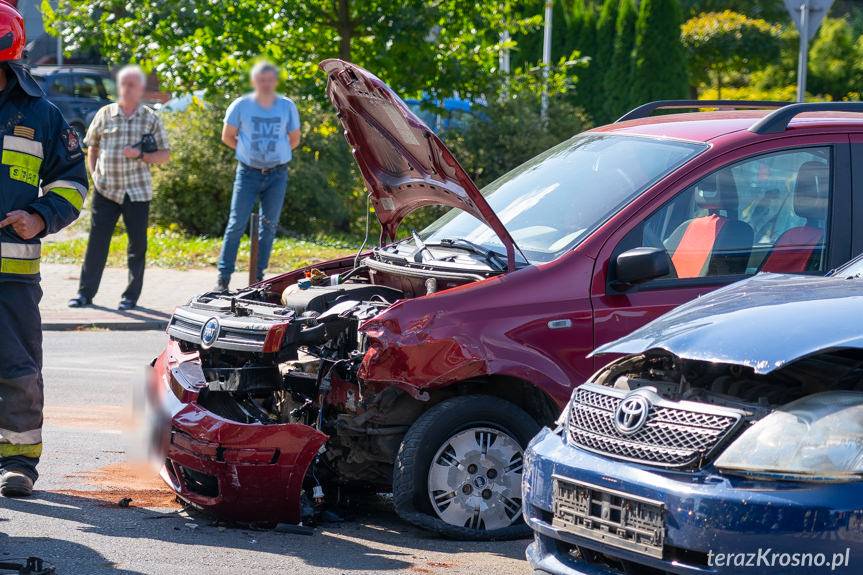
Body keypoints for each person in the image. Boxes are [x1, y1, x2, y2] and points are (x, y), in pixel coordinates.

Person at [0, 2, 88, 497]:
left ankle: (17, 462)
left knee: (16, 370)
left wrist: (39, 217)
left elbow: (73, 182)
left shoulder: (41, 115)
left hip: (11, 272)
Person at [67, 65, 170, 311]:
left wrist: (141, 154)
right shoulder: (105, 113)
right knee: (97, 244)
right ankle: (84, 294)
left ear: (141, 89)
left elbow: (164, 155)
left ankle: (130, 298)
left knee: (137, 247)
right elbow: (91, 146)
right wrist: (94, 175)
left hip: (136, 191)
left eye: (132, 85)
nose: (127, 89)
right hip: (106, 189)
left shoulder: (150, 117)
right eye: (124, 84)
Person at [216, 61, 301, 291]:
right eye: (261, 80)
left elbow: (294, 139)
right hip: (247, 173)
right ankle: (223, 279)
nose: (265, 84)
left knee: (269, 227)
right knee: (236, 224)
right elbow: (227, 136)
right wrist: (248, 153)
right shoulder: (241, 105)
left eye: (269, 79)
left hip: (277, 175)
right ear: (254, 82)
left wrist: (273, 155)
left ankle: (258, 278)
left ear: (275, 81)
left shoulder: (286, 106)